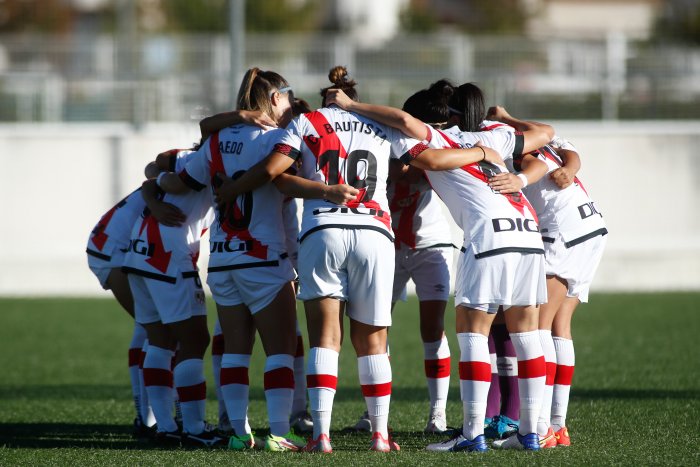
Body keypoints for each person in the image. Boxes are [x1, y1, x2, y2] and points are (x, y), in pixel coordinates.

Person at [213, 66, 501, 453]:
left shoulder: (308, 121)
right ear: (351, 95)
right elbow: (427, 160)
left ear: (325, 97)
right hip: (376, 234)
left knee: (325, 339)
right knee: (373, 341)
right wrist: (484, 151)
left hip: (322, 230)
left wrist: (322, 190)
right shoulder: (380, 124)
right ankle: (381, 436)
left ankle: (321, 436)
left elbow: (276, 175)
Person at [325, 79, 554, 453]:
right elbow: (544, 135)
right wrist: (497, 158)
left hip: (488, 236)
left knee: (472, 331)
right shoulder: (494, 135)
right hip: (527, 233)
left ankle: (472, 433)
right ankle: (530, 433)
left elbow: (408, 129)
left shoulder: (432, 138)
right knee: (526, 334)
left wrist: (351, 105)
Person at [155, 68, 357, 452]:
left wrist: (157, 185)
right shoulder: (278, 139)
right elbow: (285, 178)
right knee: (281, 348)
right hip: (263, 258)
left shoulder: (214, 142)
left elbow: (182, 180)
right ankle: (279, 432)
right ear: (275, 98)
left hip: (223, 260)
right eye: (288, 95)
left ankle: (238, 433)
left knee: (235, 349)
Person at [352, 142, 456, 435]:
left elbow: (425, 173)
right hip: (388, 247)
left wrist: (409, 168)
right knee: (375, 326)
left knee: (433, 327)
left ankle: (438, 414)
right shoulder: (371, 159)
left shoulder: (424, 157)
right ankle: (372, 412)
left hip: (430, 246)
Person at [514, 134, 608, 448]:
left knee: (538, 324)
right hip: (591, 227)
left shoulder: (508, 146)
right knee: (559, 324)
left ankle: (541, 428)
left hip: (563, 232)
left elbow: (543, 165)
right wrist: (569, 167)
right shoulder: (545, 136)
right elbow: (572, 155)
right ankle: (557, 425)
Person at [123, 147, 219, 447]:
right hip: (169, 258)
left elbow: (151, 171)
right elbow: (158, 175)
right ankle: (193, 428)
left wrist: (154, 196)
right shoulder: (210, 158)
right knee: (194, 340)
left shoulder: (185, 156)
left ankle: (165, 427)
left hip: (139, 255)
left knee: (160, 341)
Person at [86, 156, 185, 437]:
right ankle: (155, 419)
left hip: (111, 247)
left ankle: (150, 418)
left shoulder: (196, 157)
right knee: (162, 333)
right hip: (116, 252)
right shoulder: (199, 160)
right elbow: (152, 173)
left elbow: (153, 171)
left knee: (150, 330)